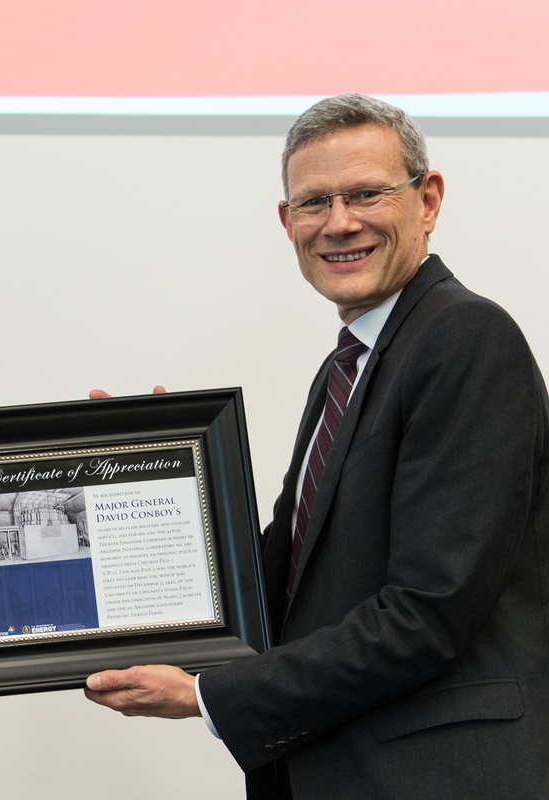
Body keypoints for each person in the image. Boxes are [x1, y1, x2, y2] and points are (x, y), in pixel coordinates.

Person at [83, 94, 549, 799]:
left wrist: (209, 697)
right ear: (286, 221)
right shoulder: (352, 364)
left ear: (428, 200)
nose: (339, 224)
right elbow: (298, 579)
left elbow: (427, 613)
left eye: (366, 194)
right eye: (313, 202)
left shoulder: (464, 339)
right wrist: (154, 483)